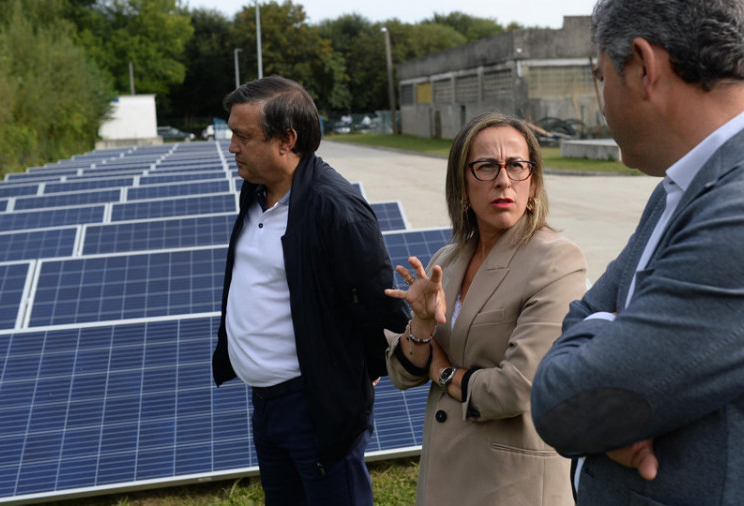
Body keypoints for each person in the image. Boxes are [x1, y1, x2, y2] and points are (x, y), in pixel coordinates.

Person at [530, 0, 744, 504]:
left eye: (600, 77)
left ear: (643, 67)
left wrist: (606, 341)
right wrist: (610, 336)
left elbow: (567, 405)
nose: (601, 102)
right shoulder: (694, 183)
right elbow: (587, 315)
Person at [211, 75, 409, 505]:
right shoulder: (256, 193)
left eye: (243, 137)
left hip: (314, 409)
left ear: (287, 140)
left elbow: (378, 307)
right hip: (266, 406)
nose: (232, 147)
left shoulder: (336, 211)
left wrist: (348, 377)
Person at [384, 112, 587, 505]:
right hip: (446, 479)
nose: (503, 180)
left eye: (517, 166)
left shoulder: (556, 261)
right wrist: (422, 323)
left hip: (510, 487)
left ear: (534, 180)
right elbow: (402, 373)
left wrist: (442, 371)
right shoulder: (451, 257)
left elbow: (517, 388)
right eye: (486, 166)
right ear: (462, 184)